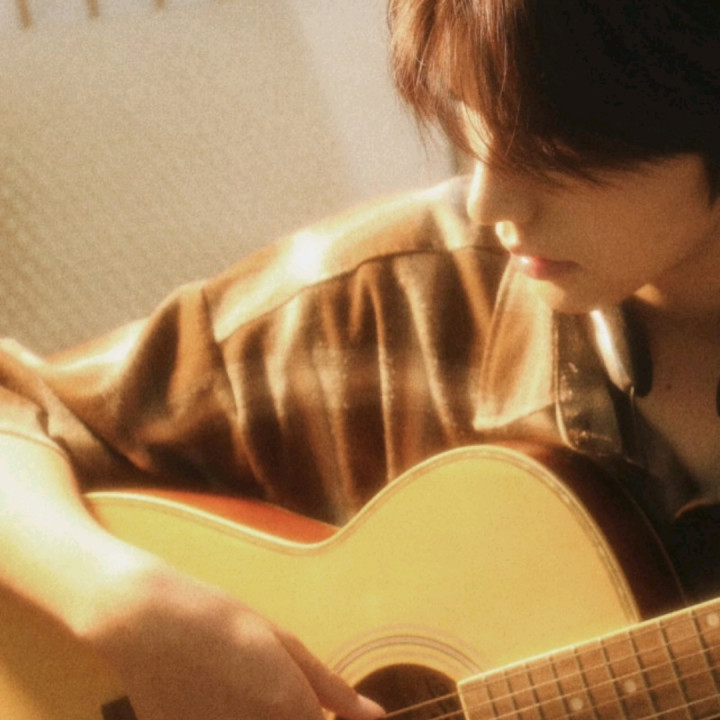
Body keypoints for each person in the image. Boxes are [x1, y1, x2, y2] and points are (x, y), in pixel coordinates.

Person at [1, 1, 720, 718]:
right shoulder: (394, 301)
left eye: (555, 146)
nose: (487, 200)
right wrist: (125, 603)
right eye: (469, 109)